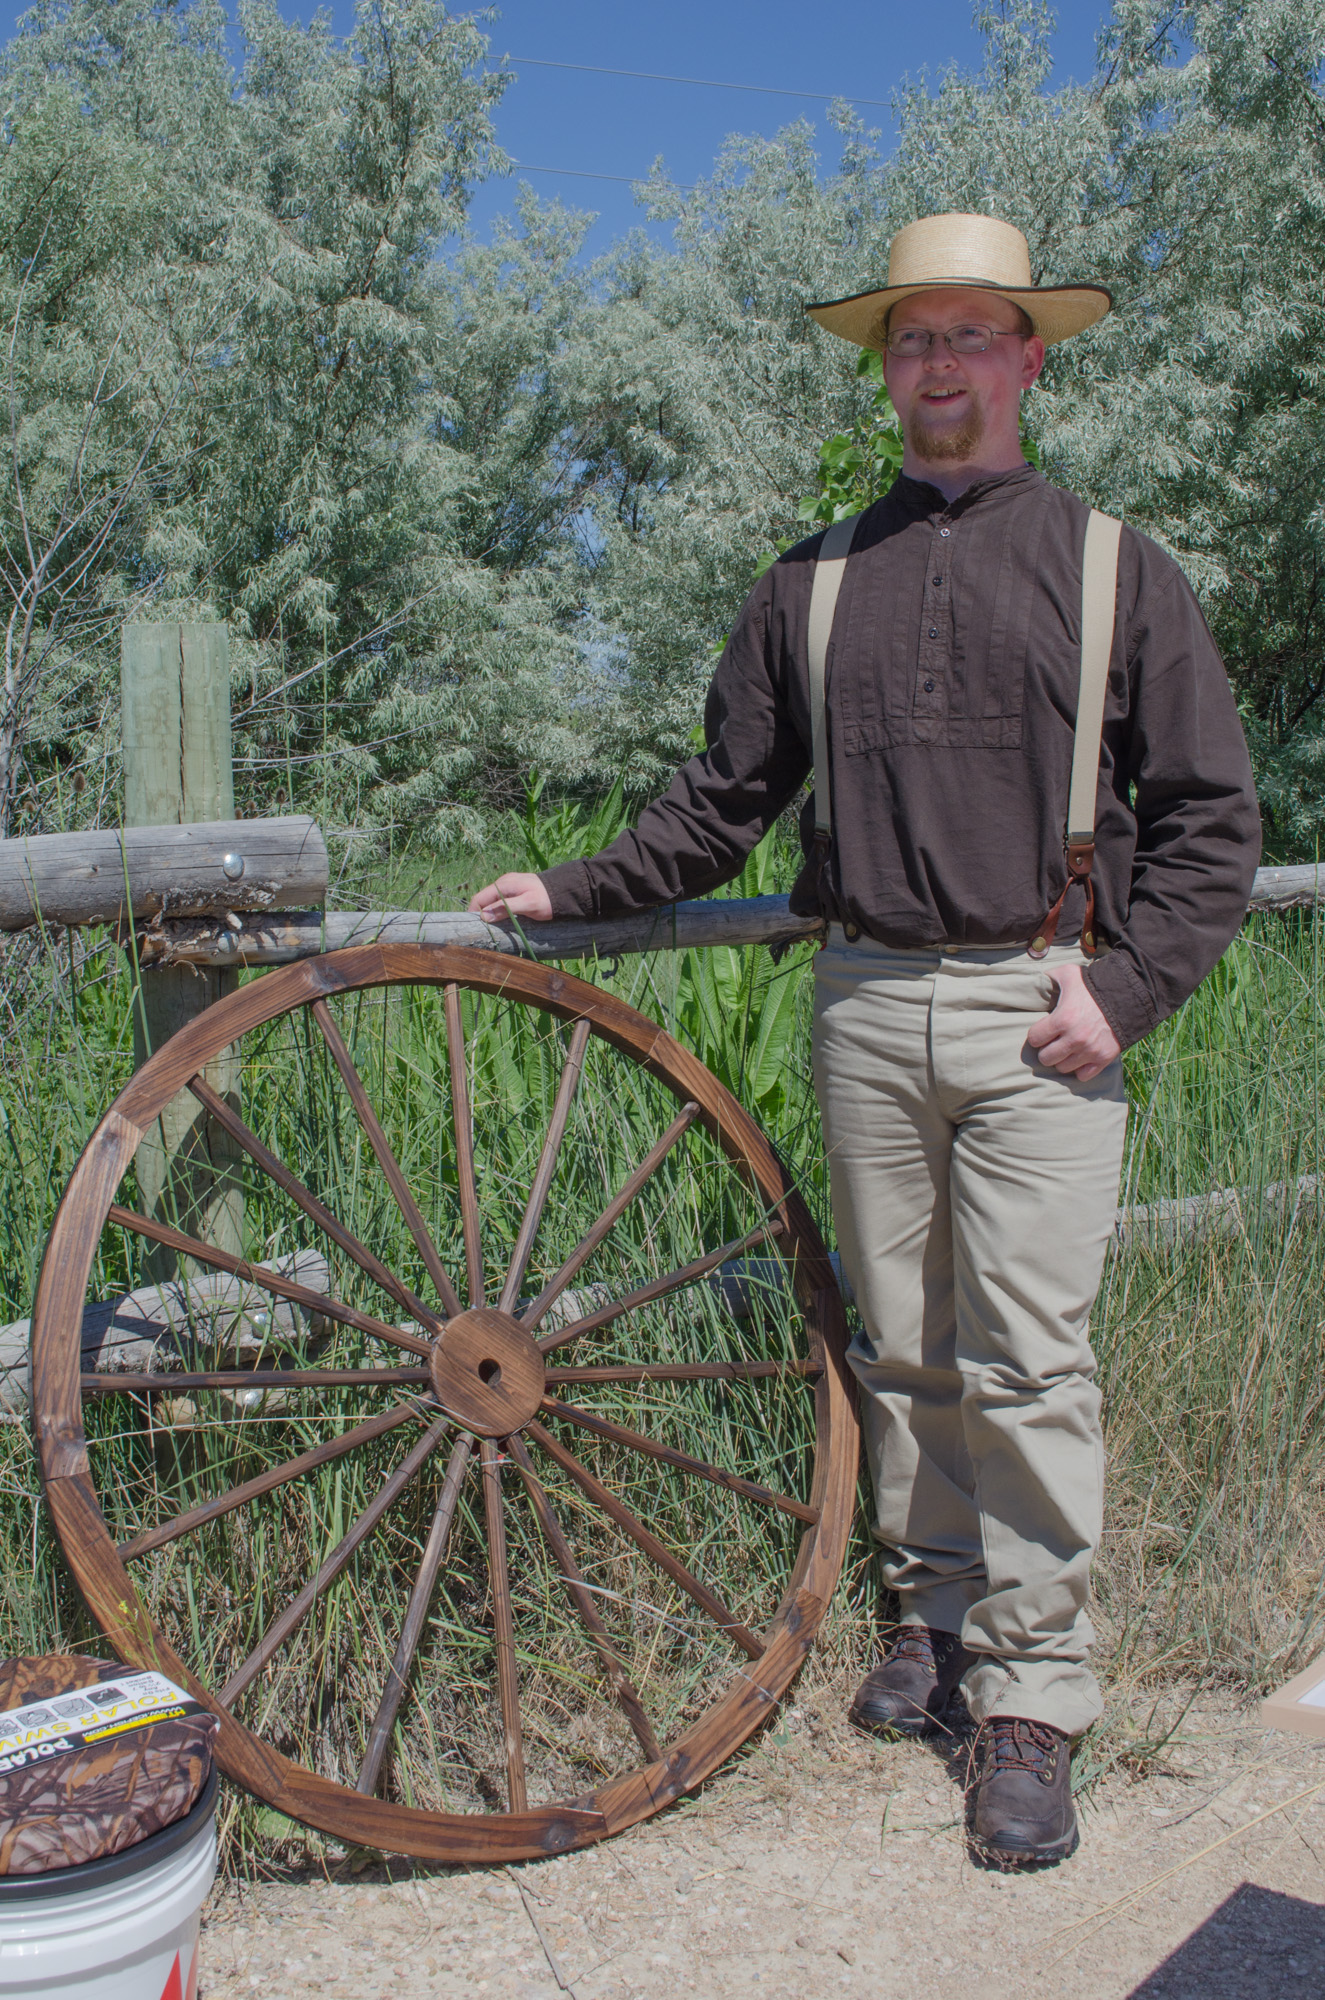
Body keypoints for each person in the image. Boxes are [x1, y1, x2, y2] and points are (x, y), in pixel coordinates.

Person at [470, 213, 1261, 1867]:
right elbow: (722, 799)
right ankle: (935, 1613)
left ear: (1028, 359)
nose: (941, 363)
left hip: (1042, 1006)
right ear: (883, 366)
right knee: (898, 1341)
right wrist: (576, 884)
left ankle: (1034, 1699)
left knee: (1028, 1356)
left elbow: (1210, 821)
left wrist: (1118, 991)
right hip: (861, 1002)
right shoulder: (812, 580)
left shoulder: (1116, 566)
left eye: (973, 335)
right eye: (915, 338)